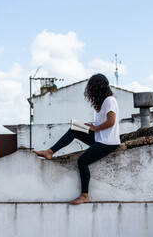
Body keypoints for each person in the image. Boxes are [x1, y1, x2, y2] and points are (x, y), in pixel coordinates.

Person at [33, 73, 120, 205]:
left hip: (108, 142)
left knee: (82, 161)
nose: (89, 91)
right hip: (100, 138)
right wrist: (92, 126)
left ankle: (84, 195)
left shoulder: (109, 100)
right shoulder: (103, 102)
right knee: (74, 130)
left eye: (91, 88)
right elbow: (105, 122)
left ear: (98, 87)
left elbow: (111, 122)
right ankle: (49, 152)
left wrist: (95, 129)